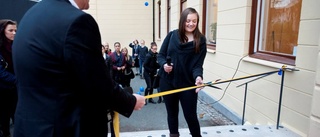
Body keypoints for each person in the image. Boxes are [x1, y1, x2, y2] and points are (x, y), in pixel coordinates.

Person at [11, 0, 145, 137]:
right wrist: (131, 101)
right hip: (65, 128)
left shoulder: (31, 15)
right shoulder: (78, 21)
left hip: (31, 127)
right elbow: (97, 82)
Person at [157, 7, 207, 137]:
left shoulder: (200, 41)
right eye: (188, 20)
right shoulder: (172, 35)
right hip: (168, 81)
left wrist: (198, 78)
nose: (191, 24)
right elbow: (160, 55)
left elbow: (197, 65)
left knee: (190, 115)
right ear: (183, 21)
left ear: (197, 22)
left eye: (194, 21)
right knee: (172, 114)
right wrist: (164, 66)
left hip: (187, 84)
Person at [0, 19, 17, 137]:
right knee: (4, 120)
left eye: (16, 30)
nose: (14, 33)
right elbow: (1, 73)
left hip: (15, 90)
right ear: (2, 32)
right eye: (10, 30)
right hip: (2, 91)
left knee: (17, 117)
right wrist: (19, 80)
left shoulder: (16, 46)